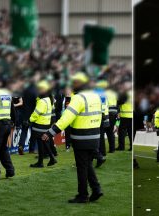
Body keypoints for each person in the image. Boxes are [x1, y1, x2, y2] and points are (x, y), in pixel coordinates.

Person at [43, 72, 103, 204]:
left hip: (81, 137)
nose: (72, 85)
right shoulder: (95, 96)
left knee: (82, 167)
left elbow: (66, 119)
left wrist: (50, 132)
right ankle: (96, 189)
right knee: (87, 164)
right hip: (95, 136)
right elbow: (101, 115)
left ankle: (83, 195)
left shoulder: (78, 98)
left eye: (75, 82)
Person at [29, 80, 57, 168]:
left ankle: (43, 161)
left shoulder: (42, 101)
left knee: (41, 143)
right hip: (45, 124)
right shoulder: (49, 99)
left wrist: (30, 119)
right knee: (43, 143)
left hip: (39, 125)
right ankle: (47, 160)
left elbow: (36, 113)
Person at [94, 80, 110, 168]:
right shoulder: (102, 92)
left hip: (98, 117)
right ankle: (102, 154)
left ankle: (98, 155)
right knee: (100, 137)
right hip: (103, 116)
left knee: (96, 138)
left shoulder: (96, 92)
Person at [117, 82, 133, 151]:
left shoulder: (125, 94)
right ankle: (131, 147)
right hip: (131, 116)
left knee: (121, 132)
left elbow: (119, 102)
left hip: (125, 116)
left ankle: (121, 147)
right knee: (130, 133)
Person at [104, 81, 118, 153]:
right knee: (110, 132)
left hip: (107, 113)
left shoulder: (105, 93)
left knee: (105, 131)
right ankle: (112, 149)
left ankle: (102, 150)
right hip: (114, 113)